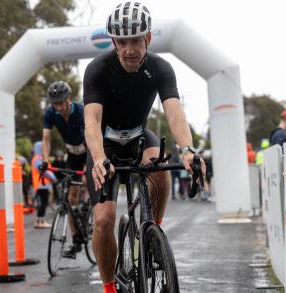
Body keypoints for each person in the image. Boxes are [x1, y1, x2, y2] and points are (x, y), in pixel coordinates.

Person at [83, 2, 201, 292]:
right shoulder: (98, 69)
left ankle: (152, 232)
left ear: (148, 38)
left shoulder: (161, 68)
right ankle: (109, 287)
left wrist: (188, 149)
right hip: (106, 145)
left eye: (136, 40)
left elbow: (175, 113)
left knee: (160, 169)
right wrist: (98, 158)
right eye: (122, 42)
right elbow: (92, 121)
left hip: (138, 136)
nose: (129, 49)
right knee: (104, 220)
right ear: (113, 42)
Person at [41, 81, 87, 258]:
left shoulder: (82, 111)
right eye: (55, 103)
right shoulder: (50, 113)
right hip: (73, 154)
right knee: (69, 198)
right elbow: (46, 139)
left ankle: (88, 204)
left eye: (61, 102)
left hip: (88, 150)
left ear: (69, 99)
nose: (58, 107)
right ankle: (76, 240)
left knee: (91, 181)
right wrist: (45, 159)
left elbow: (93, 134)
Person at [31, 141, 57, 229]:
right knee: (43, 203)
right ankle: (40, 221)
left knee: (43, 203)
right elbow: (43, 170)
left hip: (42, 184)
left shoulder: (39, 158)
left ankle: (40, 220)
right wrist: (53, 178)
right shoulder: (38, 159)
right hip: (41, 184)